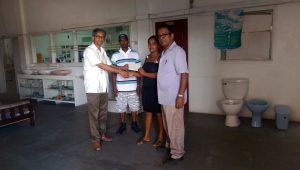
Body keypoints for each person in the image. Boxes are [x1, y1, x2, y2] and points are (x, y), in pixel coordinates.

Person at [83, 28, 129, 151]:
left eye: (102, 37)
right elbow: (102, 66)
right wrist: (119, 71)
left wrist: (121, 67)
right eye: (98, 36)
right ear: (93, 37)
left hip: (103, 87)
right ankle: (95, 140)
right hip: (93, 88)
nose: (100, 39)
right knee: (94, 115)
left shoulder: (102, 51)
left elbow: (109, 65)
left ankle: (102, 135)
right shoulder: (89, 51)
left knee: (103, 113)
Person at [156, 25, 189, 164]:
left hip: (174, 97)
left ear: (172, 36)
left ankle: (177, 154)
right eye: (160, 35)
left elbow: (184, 74)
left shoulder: (178, 52)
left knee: (175, 126)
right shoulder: (164, 53)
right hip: (165, 97)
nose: (162, 37)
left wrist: (180, 95)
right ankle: (171, 146)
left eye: (165, 34)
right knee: (168, 125)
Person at [135, 35, 164, 147]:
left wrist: (144, 73)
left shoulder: (161, 57)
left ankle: (161, 137)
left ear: (158, 45)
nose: (151, 46)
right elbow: (141, 72)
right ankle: (146, 136)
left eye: (153, 43)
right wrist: (130, 72)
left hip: (157, 89)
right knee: (147, 112)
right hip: (146, 88)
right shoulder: (147, 57)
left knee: (158, 113)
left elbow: (161, 75)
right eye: (149, 43)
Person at [111, 34, 142, 134]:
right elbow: (113, 72)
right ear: (119, 42)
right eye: (121, 40)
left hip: (133, 87)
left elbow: (139, 71)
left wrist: (138, 86)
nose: (123, 42)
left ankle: (134, 123)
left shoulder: (135, 54)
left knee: (134, 107)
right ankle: (123, 124)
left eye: (125, 40)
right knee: (121, 107)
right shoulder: (115, 55)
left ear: (128, 41)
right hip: (120, 87)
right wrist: (114, 86)